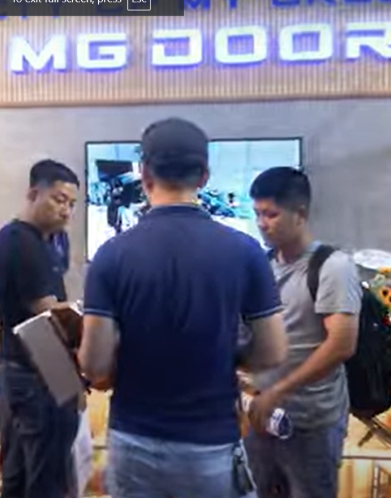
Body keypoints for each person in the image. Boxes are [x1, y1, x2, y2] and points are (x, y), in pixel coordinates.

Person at [78, 117, 289, 498]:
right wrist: (227, 356)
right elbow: (273, 352)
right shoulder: (246, 252)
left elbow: (94, 365)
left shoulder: (110, 255)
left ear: (144, 174)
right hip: (212, 442)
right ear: (204, 176)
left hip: (134, 440)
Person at [244, 167, 362, 498]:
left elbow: (341, 345)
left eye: (271, 214)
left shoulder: (332, 266)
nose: (262, 223)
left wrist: (278, 391)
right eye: (257, 214)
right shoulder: (263, 265)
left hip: (311, 422)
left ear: (300, 214)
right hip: (260, 416)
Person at [0, 159, 81, 498]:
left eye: (71, 203)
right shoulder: (18, 241)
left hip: (44, 366)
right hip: (33, 369)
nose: (66, 210)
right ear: (33, 194)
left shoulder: (52, 240)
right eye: (59, 199)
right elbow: (47, 313)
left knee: (29, 472)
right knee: (44, 479)